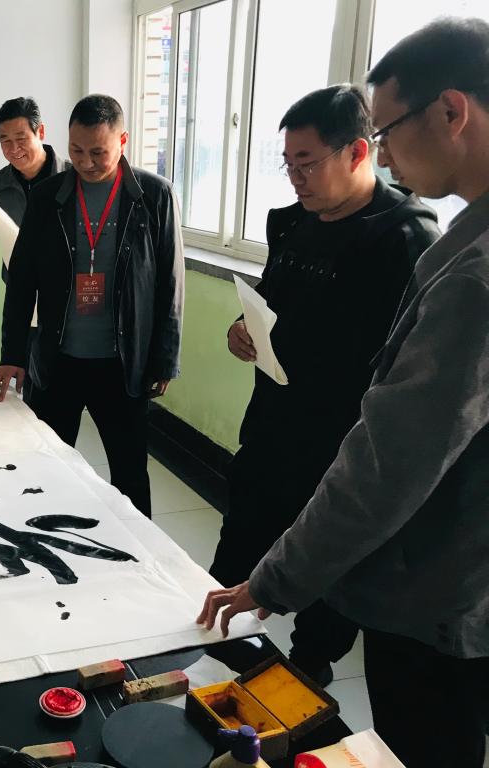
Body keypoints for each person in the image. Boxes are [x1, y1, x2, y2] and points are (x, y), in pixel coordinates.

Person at [198, 17, 489, 768]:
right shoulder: (455, 241)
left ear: (451, 112)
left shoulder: (440, 254)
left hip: (434, 576)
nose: (385, 151)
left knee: (417, 741)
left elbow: (396, 454)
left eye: (387, 131)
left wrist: (275, 581)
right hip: (289, 445)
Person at [208, 84, 439, 686]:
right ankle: (227, 675)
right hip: (270, 436)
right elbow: (271, 304)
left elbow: (407, 375)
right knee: (231, 566)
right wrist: (242, 329)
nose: (295, 179)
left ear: (358, 152)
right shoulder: (294, 224)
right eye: (287, 163)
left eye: (306, 163)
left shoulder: (405, 241)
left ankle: (305, 690)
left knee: (325, 608)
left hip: (341, 455)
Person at [0, 94, 184, 518]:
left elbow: (169, 282)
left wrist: (165, 358)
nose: (86, 162)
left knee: (129, 473)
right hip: (58, 359)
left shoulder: (154, 195)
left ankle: (137, 550)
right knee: (47, 467)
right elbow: (21, 281)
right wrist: (12, 354)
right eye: (76, 150)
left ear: (123, 141)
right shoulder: (48, 196)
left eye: (98, 152)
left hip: (123, 362)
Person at [0, 97, 70, 401]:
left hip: (67, 299)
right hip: (22, 298)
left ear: (40, 132)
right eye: (5, 140)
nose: (13, 148)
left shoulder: (71, 178)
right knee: (29, 384)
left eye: (21, 138)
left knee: (64, 382)